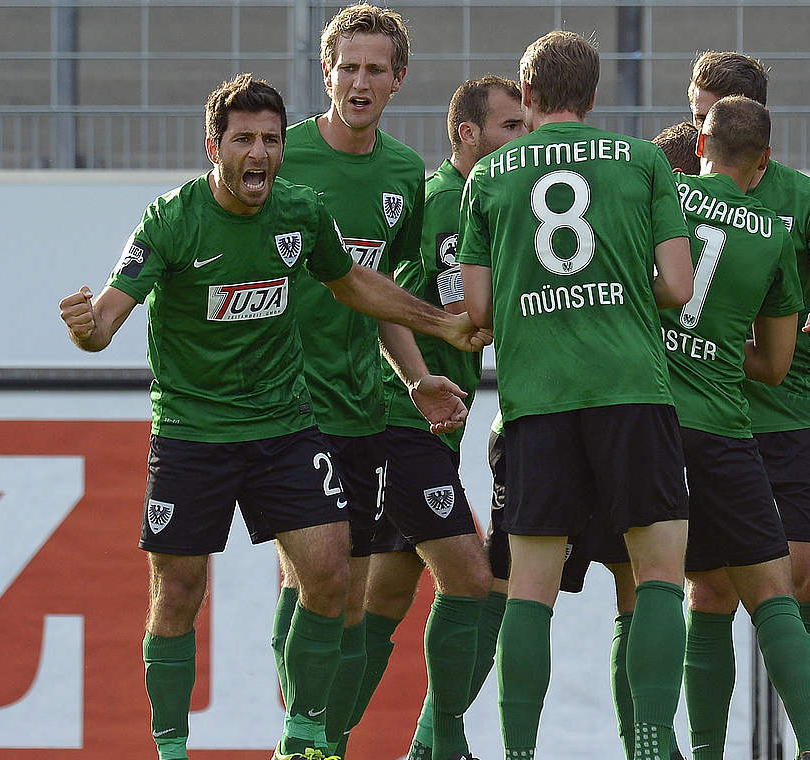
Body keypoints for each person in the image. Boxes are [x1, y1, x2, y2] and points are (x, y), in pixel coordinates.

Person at [57, 73, 487, 760]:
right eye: (243, 140)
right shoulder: (172, 220)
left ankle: (306, 737)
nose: (258, 153)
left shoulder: (300, 211)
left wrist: (441, 323)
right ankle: (171, 748)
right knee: (178, 592)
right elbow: (106, 320)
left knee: (329, 570)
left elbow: (351, 282)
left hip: (284, 424)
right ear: (213, 146)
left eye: (270, 140)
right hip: (193, 433)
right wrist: (85, 329)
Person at [457, 30, 694, 760]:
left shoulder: (491, 176)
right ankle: (653, 744)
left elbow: (479, 310)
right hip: (631, 391)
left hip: (538, 402)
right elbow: (679, 288)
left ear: (526, 98)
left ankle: (520, 752)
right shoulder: (643, 159)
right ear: (594, 98)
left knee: (530, 588)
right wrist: (621, 299)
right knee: (658, 575)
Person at [261, 6, 477, 759]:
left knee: (345, 597)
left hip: (361, 406)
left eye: (374, 70)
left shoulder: (399, 177)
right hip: (283, 405)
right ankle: (302, 737)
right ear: (325, 73)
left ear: (397, 82)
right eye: (347, 67)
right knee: (316, 575)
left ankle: (320, 740)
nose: (359, 81)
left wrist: (416, 377)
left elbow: (377, 293)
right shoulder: (275, 156)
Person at [679, 51, 810, 760]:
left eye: (709, 114)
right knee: (711, 591)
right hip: (705, 414)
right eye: (695, 113)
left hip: (790, 414)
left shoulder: (808, 200)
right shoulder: (676, 180)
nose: (698, 126)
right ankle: (705, 750)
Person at [355, 74, 528, 760]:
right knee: (473, 579)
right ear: (468, 134)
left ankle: (323, 739)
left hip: (438, 427)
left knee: (387, 600)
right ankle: (441, 746)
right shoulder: (434, 205)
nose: (525, 136)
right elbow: (372, 297)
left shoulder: (491, 204)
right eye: (511, 126)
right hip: (400, 419)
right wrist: (419, 375)